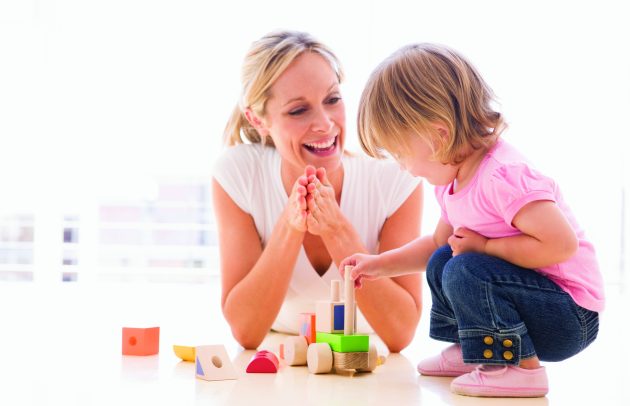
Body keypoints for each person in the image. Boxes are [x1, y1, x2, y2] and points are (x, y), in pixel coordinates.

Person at [340, 43, 604, 397]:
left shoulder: (502, 177)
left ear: (438, 135)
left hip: (570, 316)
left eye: (401, 153)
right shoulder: (451, 183)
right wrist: (378, 265)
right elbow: (436, 244)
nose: (402, 166)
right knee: (444, 258)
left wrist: (486, 246)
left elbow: (560, 244)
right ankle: (472, 349)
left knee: (463, 268)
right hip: (527, 303)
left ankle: (522, 370)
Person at [212, 31, 423, 352]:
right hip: (283, 364)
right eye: (298, 111)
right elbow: (246, 332)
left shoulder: (394, 176)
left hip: (368, 363)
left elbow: (400, 333)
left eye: (332, 100)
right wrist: (290, 225)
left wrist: (336, 230)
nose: (325, 124)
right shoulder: (239, 174)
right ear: (258, 119)